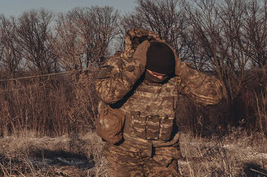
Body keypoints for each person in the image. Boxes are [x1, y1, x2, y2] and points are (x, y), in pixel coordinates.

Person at [94, 28, 224, 176]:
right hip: (123, 149)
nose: (161, 78)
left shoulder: (173, 69)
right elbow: (106, 94)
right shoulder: (120, 63)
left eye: (164, 75)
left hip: (163, 152)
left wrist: (182, 69)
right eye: (155, 74)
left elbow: (215, 95)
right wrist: (135, 68)